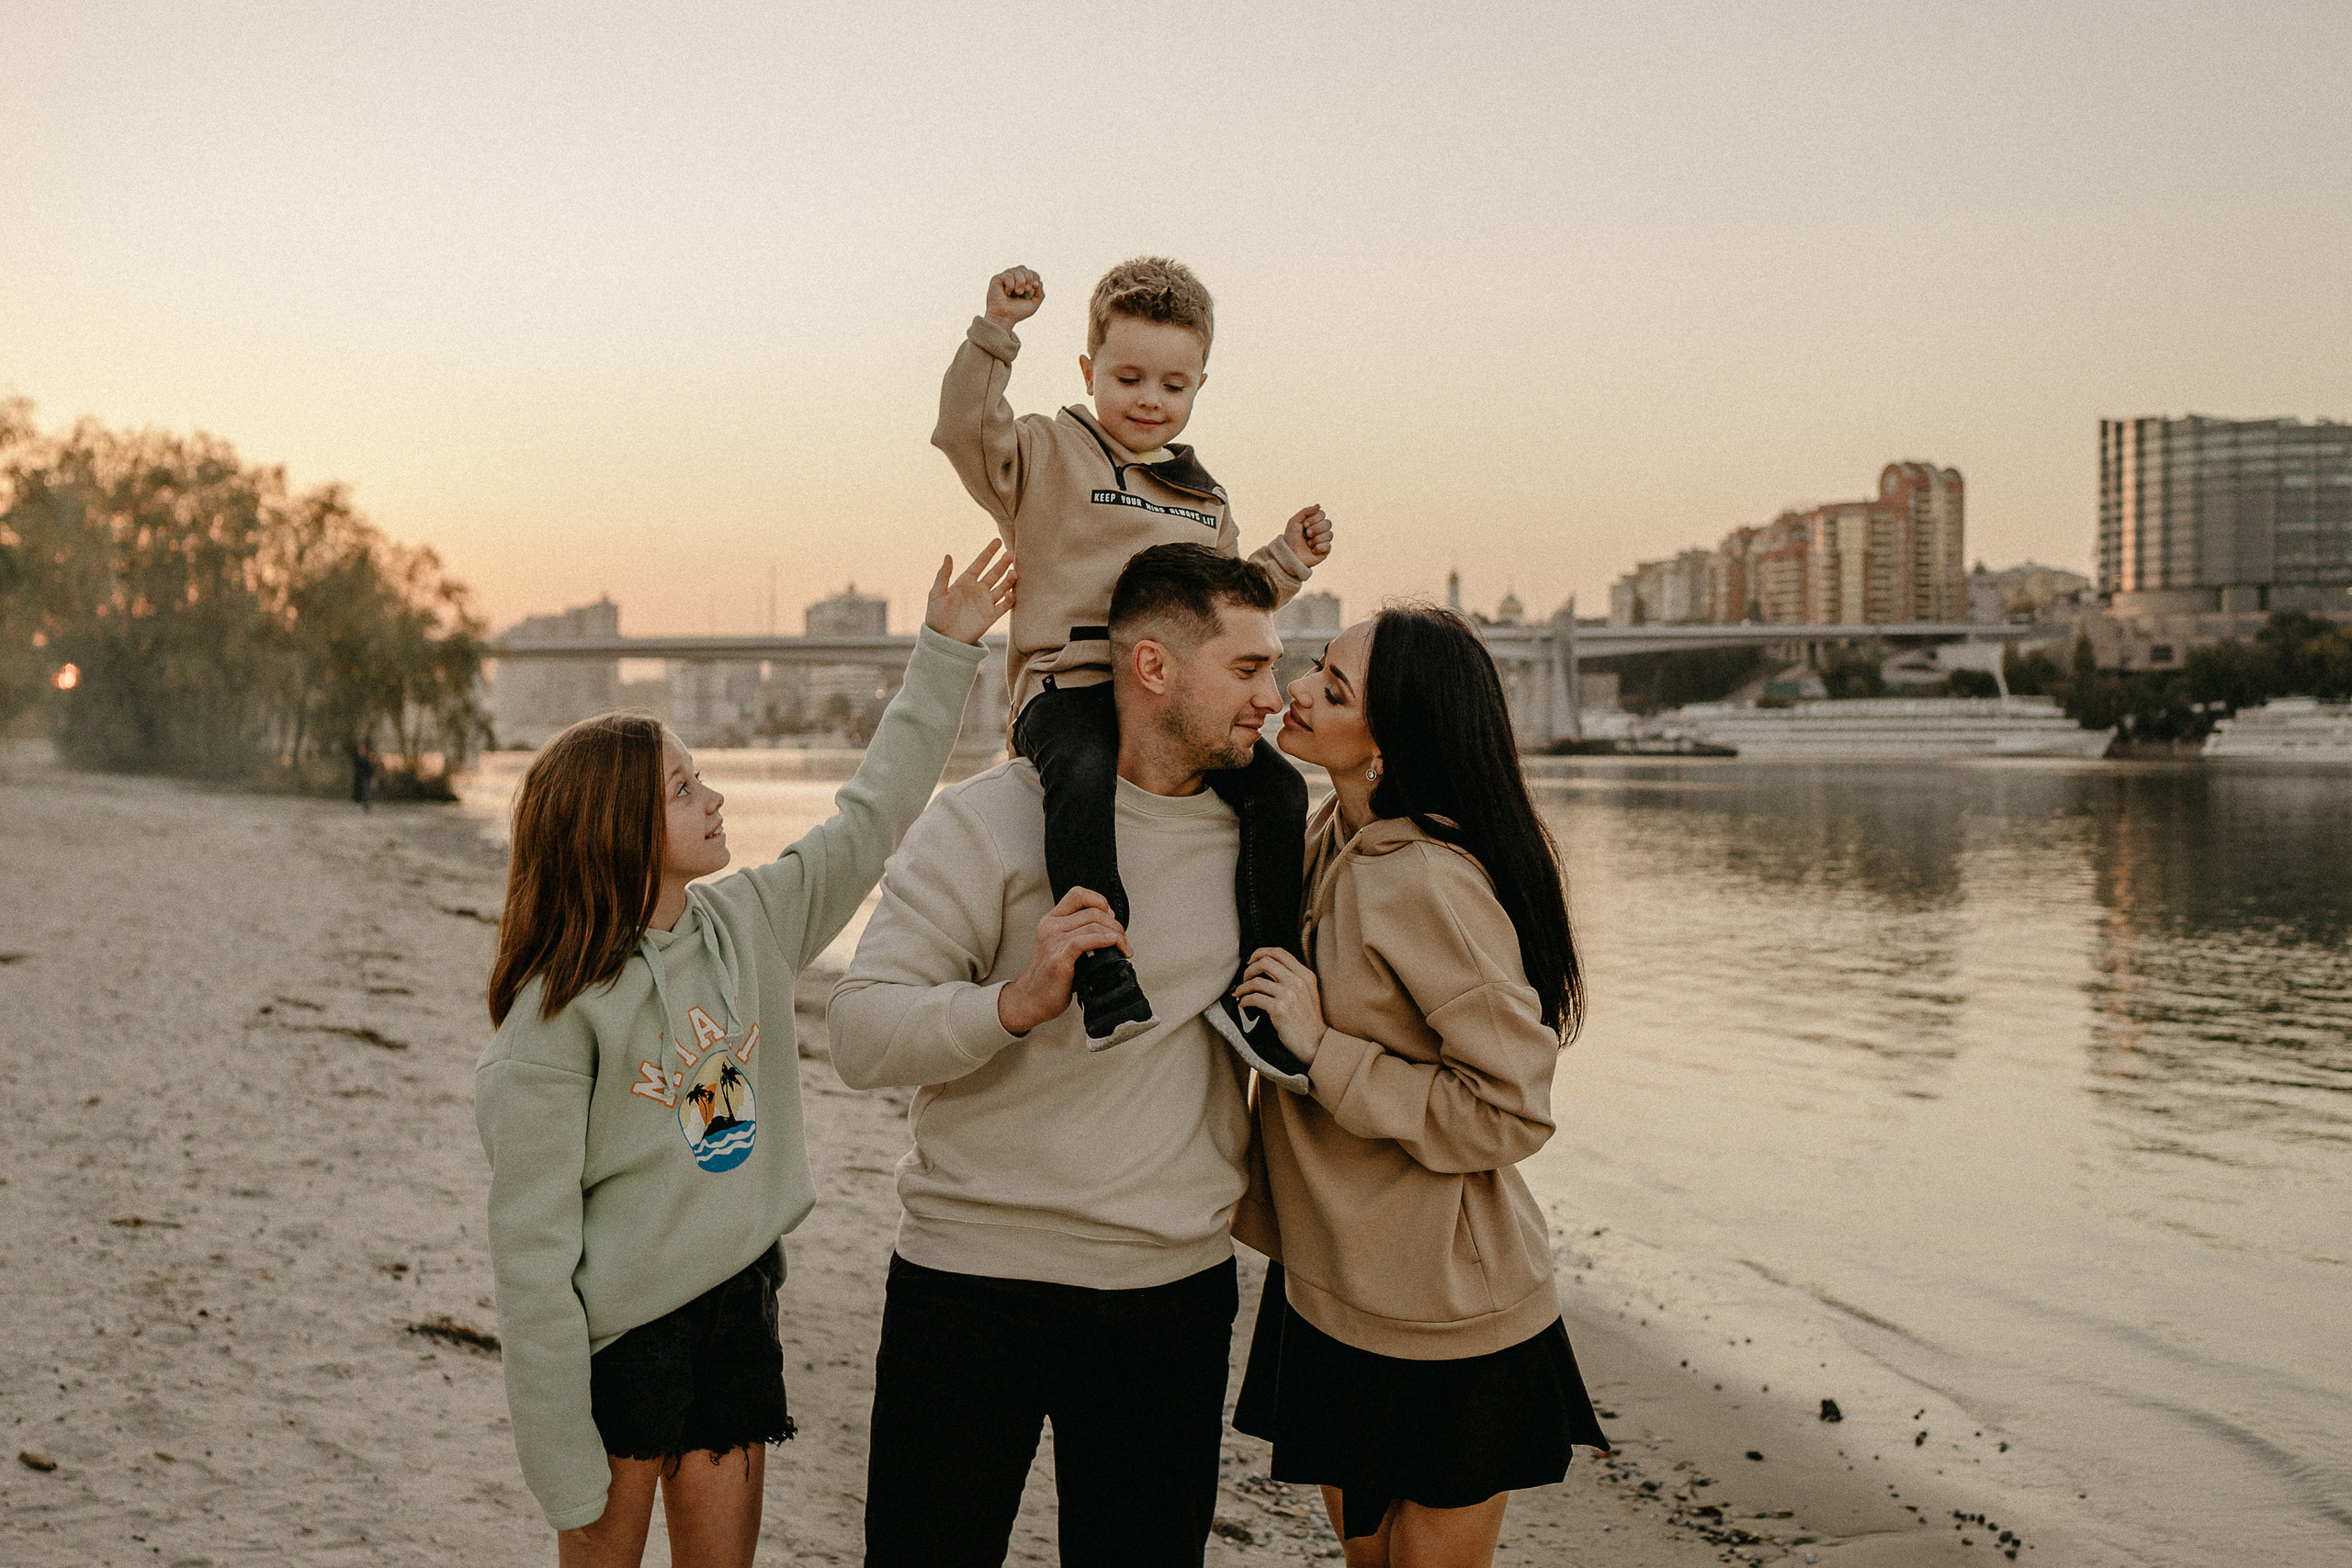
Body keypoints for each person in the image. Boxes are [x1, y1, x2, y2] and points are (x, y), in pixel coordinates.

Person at [472, 545, 1013, 1568]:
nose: (714, 798)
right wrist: (558, 1454)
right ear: (618, 828)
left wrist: (945, 651)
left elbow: (871, 819)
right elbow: (530, 1260)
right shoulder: (553, 1024)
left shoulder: (749, 922)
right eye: (685, 789)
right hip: (619, 1343)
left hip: (737, 1311)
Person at [829, 543, 1290, 1568]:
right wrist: (1013, 1003)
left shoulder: (1266, 841)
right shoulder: (987, 821)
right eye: (1249, 668)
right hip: (968, 1282)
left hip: (1169, 1296)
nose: (1275, 696)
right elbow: (859, 1031)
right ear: (1153, 667)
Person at [1227, 604, 1611, 1568]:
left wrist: (1326, 1051)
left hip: (1445, 1309)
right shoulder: (1326, 836)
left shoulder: (1431, 882)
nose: (1297, 689)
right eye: (1316, 667)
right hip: (1332, 1282)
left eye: (1333, 690)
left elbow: (1511, 1106)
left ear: (1386, 747)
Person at [933, 256, 1333, 1066]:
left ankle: (1261, 988)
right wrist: (997, 332)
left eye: (1173, 385)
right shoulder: (1046, 452)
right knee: (1082, 771)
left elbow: (1229, 607)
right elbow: (966, 431)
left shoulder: (1204, 500)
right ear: (1089, 372)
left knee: (1281, 789)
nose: (1150, 399)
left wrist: (1288, 560)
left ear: (1199, 387)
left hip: (1176, 703)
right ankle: (1100, 960)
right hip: (1071, 685)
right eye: (1128, 378)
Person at [351, 737, 376, 813]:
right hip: (361, 777)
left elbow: (370, 768)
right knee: (362, 791)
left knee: (366, 792)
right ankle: (363, 804)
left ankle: (366, 806)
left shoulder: (366, 758)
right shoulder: (359, 758)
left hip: (366, 777)